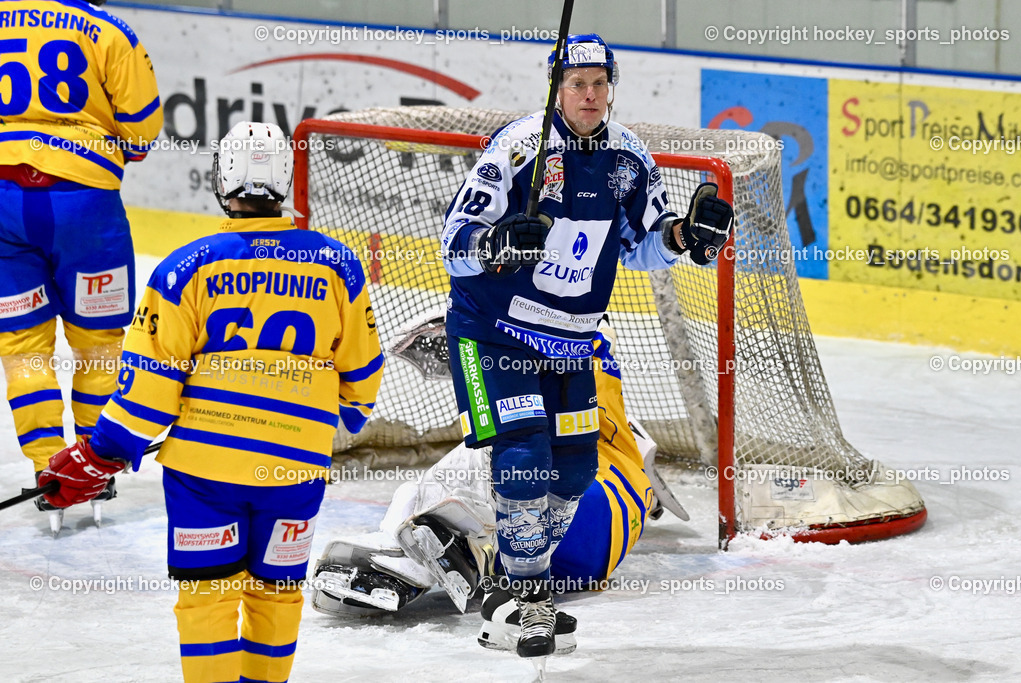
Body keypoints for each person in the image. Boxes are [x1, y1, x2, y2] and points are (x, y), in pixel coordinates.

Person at [36, 121, 385, 683]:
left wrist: (101, 453)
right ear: (286, 182)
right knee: (277, 597)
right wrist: (338, 417)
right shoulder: (336, 264)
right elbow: (363, 367)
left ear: (223, 181)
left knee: (208, 600)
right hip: (295, 469)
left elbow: (150, 384)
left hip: (204, 473)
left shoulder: (185, 266)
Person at [438, 33, 733, 657]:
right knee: (524, 455)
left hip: (572, 341)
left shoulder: (628, 158)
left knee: (572, 471)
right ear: (556, 89)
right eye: (578, 84)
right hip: (495, 332)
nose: (591, 94)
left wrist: (684, 235)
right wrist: (493, 245)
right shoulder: (518, 148)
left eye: (600, 83)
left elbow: (641, 244)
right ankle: (525, 596)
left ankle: (511, 581)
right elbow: (453, 242)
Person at [310, 322, 687, 657]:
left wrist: (475, 335)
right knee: (529, 457)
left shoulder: (571, 348)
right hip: (591, 557)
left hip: (572, 513)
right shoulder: (627, 454)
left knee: (505, 445)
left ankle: (414, 550)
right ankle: (477, 555)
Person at [0, 0, 163, 530]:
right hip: (84, 205)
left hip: (2, 200)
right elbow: (142, 128)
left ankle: (47, 465)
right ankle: (92, 469)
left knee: (23, 346)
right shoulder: (108, 28)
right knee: (99, 341)